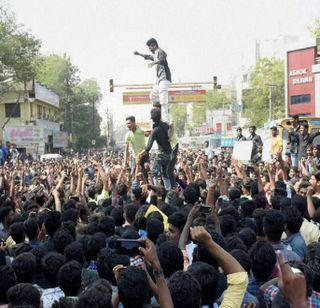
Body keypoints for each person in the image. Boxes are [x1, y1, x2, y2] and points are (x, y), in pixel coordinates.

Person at [134, 38, 172, 122]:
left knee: (163, 99)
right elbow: (147, 56)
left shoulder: (161, 52)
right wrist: (139, 54)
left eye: (150, 47)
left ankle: (165, 120)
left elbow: (162, 60)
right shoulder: (155, 54)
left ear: (154, 45)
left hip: (164, 78)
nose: (150, 50)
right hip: (159, 80)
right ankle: (159, 113)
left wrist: (153, 63)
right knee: (153, 95)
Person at [139, 108, 172, 191]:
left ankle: (155, 190)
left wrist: (140, 154)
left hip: (161, 154)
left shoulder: (155, 130)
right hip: (169, 154)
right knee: (165, 174)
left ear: (152, 119)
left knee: (153, 173)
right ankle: (168, 190)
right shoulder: (166, 125)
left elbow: (148, 147)